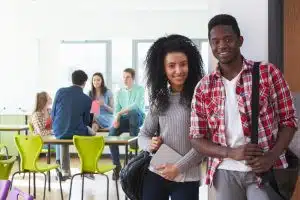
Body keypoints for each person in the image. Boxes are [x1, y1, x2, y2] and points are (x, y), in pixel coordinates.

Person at [190, 14, 298, 200]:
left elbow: (289, 121)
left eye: (228, 39)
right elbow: (196, 138)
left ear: (240, 40)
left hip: (265, 169)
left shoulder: (268, 73)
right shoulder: (203, 87)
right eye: (215, 41)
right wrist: (231, 152)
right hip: (224, 171)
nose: (222, 45)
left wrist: (271, 156)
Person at [138, 34, 205, 200]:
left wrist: (178, 167)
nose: (178, 71)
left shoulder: (201, 98)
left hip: (187, 177)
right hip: (157, 173)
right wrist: (150, 144)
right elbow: (143, 135)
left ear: (191, 65)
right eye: (171, 66)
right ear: (164, 70)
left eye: (183, 64)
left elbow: (205, 143)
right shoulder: (160, 99)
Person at [52, 69, 95, 179]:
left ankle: (65, 171)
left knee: (63, 136)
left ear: (72, 80)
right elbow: (86, 121)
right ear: (85, 83)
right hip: (76, 132)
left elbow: (53, 113)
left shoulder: (60, 91)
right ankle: (87, 170)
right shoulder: (87, 99)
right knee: (91, 135)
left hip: (58, 130)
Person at [109, 68, 145, 180]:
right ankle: (117, 166)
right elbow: (115, 111)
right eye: (123, 77)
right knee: (112, 133)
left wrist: (119, 114)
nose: (125, 79)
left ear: (133, 78)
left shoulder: (140, 89)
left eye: (128, 77)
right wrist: (117, 118)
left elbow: (136, 106)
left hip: (137, 117)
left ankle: (132, 163)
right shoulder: (119, 92)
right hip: (123, 119)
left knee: (133, 113)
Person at [31, 91, 60, 163]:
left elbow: (56, 124)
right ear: (44, 100)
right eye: (48, 97)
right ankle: (59, 162)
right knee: (59, 144)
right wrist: (52, 131)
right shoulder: (37, 115)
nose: (51, 98)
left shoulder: (50, 111)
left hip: (51, 139)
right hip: (41, 141)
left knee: (61, 143)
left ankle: (60, 164)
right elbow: (40, 132)